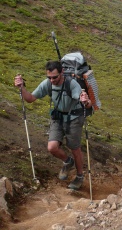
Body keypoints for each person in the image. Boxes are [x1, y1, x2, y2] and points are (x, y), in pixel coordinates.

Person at [14, 60, 92, 190]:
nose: (51, 80)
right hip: (58, 117)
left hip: (74, 118)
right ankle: (68, 161)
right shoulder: (47, 84)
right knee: (52, 147)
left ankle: (79, 176)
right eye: (49, 77)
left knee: (75, 148)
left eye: (54, 77)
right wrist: (21, 88)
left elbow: (85, 103)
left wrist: (86, 101)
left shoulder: (72, 84)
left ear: (61, 73)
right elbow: (30, 99)